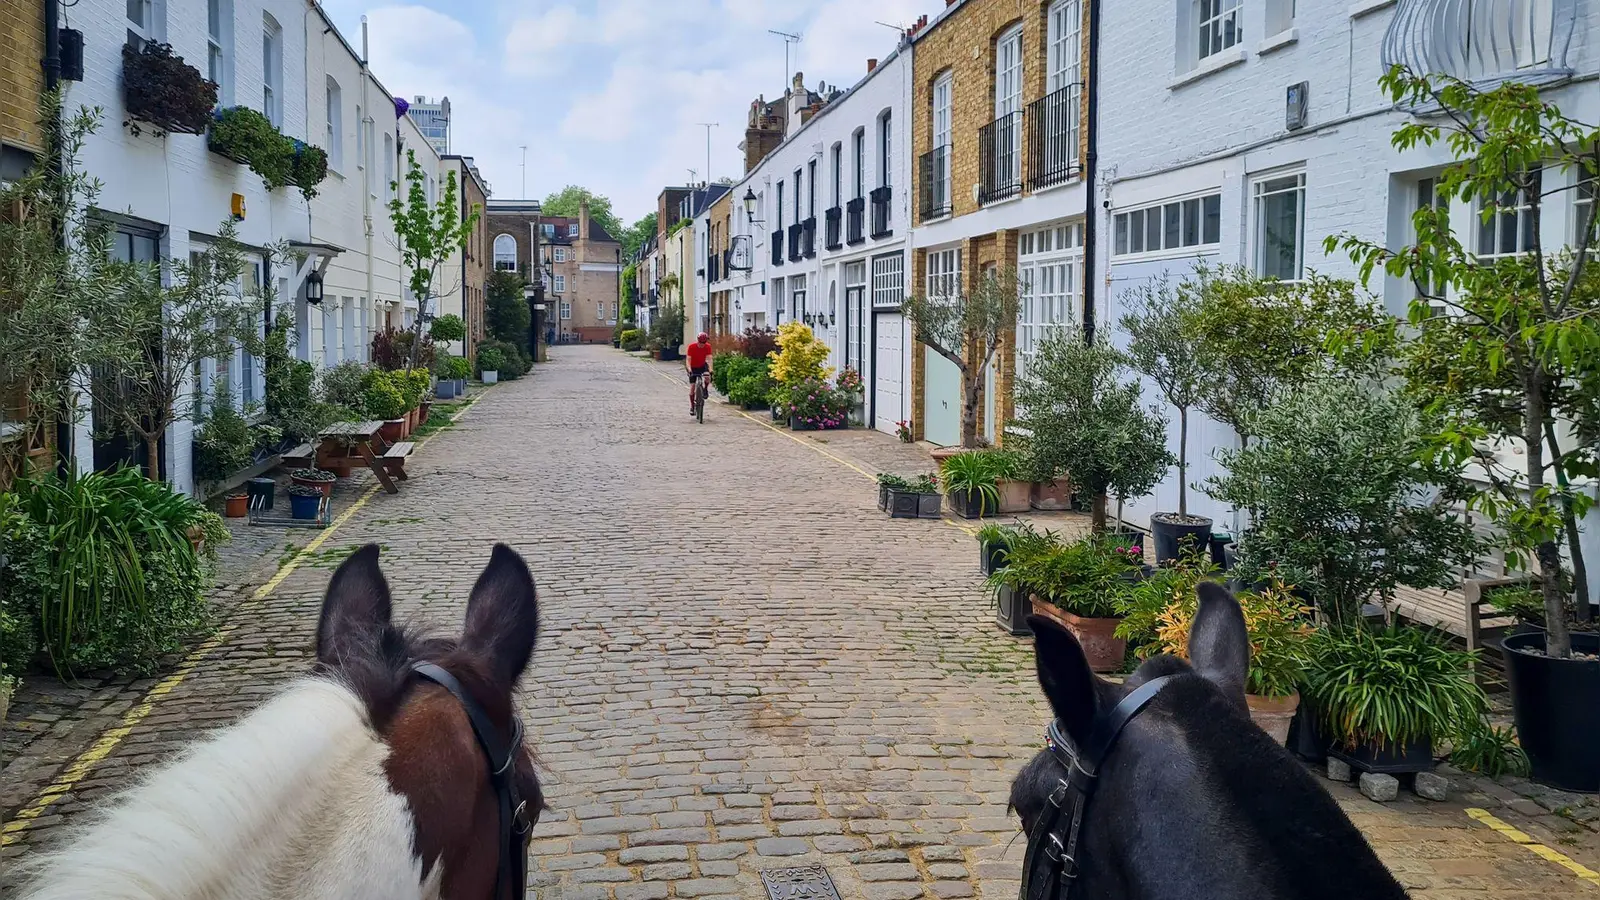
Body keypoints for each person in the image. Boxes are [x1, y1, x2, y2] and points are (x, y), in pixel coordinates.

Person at [686, 332, 714, 414]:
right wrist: (689, 370)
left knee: (707, 377)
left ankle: (705, 389)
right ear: (698, 341)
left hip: (702, 365)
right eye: (701, 343)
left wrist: (711, 370)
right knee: (692, 386)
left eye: (704, 343)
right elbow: (688, 360)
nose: (702, 345)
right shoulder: (691, 347)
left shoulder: (708, 346)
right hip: (693, 367)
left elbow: (709, 359)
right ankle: (692, 406)